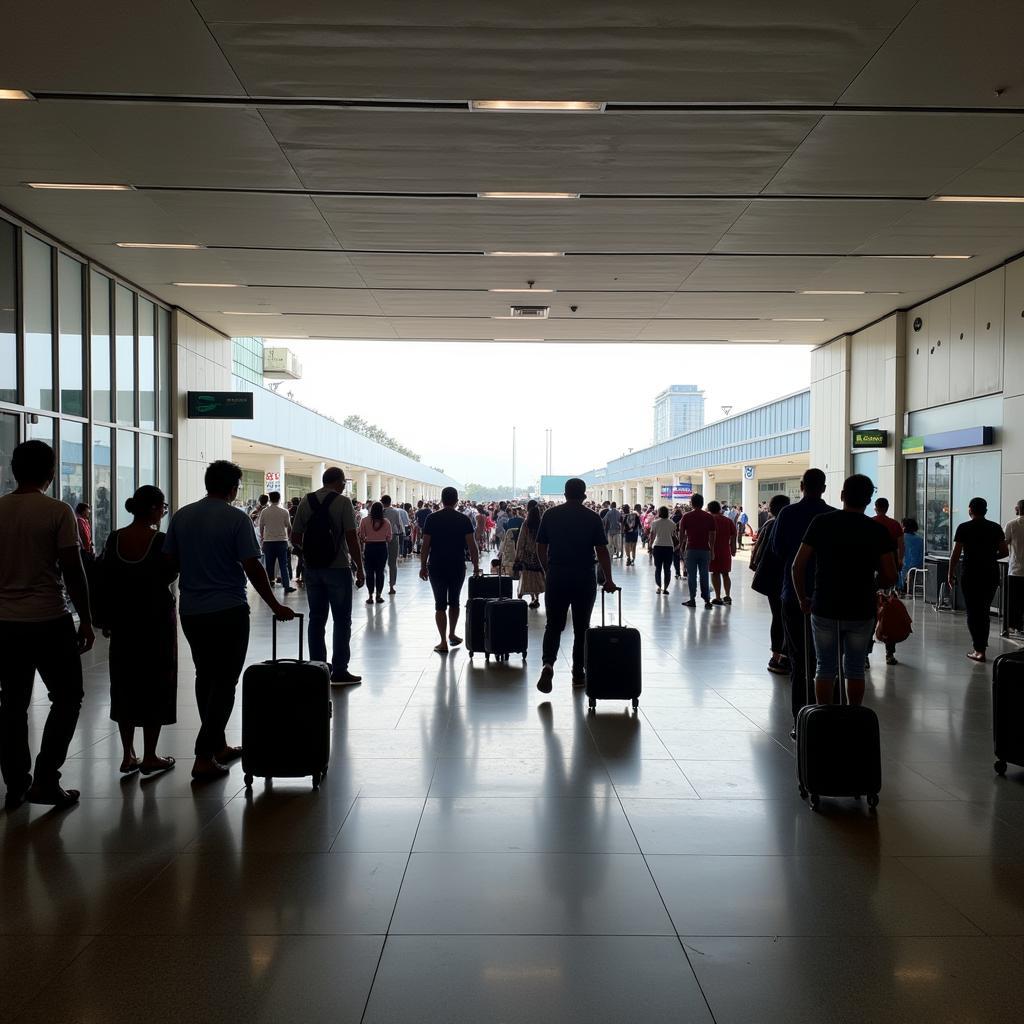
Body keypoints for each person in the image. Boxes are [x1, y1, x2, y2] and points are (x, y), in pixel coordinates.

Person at [165, 461, 295, 781]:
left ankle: (218, 744)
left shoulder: (182, 517)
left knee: (205, 676)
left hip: (192, 611)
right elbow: (252, 567)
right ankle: (204, 754)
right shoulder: (236, 518)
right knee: (225, 682)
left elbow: (169, 564)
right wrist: (275, 604)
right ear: (233, 487)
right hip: (228, 611)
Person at [0, 440, 94, 810]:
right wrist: (86, 619)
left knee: (12, 705)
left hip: (5, 624)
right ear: (52, 472)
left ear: (13, 468)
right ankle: (45, 778)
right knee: (68, 698)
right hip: (50, 620)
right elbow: (73, 569)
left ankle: (15, 785)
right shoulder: (57, 511)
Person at [792, 474, 898, 707]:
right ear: (869, 500)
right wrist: (874, 585)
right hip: (861, 608)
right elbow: (890, 575)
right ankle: (852, 717)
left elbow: (797, 565)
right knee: (855, 667)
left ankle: (824, 717)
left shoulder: (821, 522)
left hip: (824, 605)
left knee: (825, 666)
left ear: (842, 495)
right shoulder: (876, 530)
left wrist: (802, 598)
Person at [101, 486, 178, 776]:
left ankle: (127, 754)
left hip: (123, 620)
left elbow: (106, 579)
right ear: (155, 509)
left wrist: (105, 618)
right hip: (156, 618)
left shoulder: (115, 538)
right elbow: (170, 573)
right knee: (157, 682)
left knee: (124, 683)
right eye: (163, 507)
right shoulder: (160, 540)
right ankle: (150, 755)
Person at [535, 478, 616, 694]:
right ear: (584, 495)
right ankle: (578, 674)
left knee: (553, 625)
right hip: (584, 576)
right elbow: (602, 550)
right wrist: (608, 579)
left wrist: (547, 570)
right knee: (582, 628)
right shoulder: (591, 517)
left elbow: (540, 546)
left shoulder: (550, 515)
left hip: (557, 575)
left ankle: (548, 664)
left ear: (564, 494)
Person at [770, 468, 834, 735]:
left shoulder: (787, 514)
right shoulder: (832, 515)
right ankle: (826, 714)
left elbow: (778, 549)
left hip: (793, 593)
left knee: (798, 658)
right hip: (827, 594)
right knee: (826, 658)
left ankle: (801, 719)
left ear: (802, 485)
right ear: (825, 487)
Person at [291, 467, 366, 684]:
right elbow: (352, 538)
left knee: (316, 618)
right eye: (343, 482)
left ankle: (318, 668)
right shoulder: (343, 503)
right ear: (339, 482)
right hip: (338, 567)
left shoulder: (306, 500)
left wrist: (307, 556)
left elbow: (295, 536)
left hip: (313, 569)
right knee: (342, 620)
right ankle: (340, 670)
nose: (344, 486)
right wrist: (359, 568)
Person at [419, 486, 479, 654]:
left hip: (436, 565)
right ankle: (452, 633)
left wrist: (423, 566)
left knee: (439, 604)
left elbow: (425, 546)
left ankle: (443, 641)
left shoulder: (432, 518)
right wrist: (476, 566)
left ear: (442, 500)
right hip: (457, 564)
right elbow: (472, 546)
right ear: (457, 500)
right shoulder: (463, 519)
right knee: (454, 601)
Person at [949, 497, 1009, 662]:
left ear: (970, 510)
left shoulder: (964, 528)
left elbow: (955, 553)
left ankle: (979, 649)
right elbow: (1004, 552)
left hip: (970, 573)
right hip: (990, 573)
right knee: (983, 610)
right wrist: (989, 556)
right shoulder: (995, 528)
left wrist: (950, 572)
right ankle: (982, 646)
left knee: (973, 611)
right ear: (986, 510)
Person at [750, 493, 791, 674]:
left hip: (772, 579)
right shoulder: (789, 524)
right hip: (788, 579)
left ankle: (776, 656)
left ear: (771, 509)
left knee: (778, 616)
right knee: (787, 617)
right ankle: (785, 655)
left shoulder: (769, 524)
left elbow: (758, 552)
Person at [679, 493, 716, 609]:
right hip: (705, 550)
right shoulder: (709, 517)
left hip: (691, 549)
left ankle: (692, 599)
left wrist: (680, 546)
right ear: (702, 502)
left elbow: (681, 533)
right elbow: (712, 535)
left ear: (692, 503)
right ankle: (707, 600)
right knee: (704, 575)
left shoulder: (686, 516)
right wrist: (712, 549)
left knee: (692, 576)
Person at [259, 491, 296, 593]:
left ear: (270, 499)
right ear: (279, 499)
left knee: (269, 565)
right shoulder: (284, 512)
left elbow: (261, 527)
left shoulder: (264, 512)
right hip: (281, 541)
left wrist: (262, 539)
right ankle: (287, 586)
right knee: (283, 565)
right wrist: (288, 538)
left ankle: (268, 585)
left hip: (268, 542)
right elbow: (289, 527)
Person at [358, 501, 392, 604]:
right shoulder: (386, 522)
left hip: (369, 548)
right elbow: (389, 538)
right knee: (380, 573)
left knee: (369, 573)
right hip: (382, 548)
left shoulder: (364, 521)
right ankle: (378, 595)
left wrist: (366, 539)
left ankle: (370, 596)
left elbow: (361, 535)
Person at [514, 500, 546, 608]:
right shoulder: (542, 524)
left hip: (527, 555)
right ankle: (536, 598)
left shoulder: (526, 524)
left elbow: (521, 541)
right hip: (538, 555)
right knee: (537, 577)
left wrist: (518, 556)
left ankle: (525, 597)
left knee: (527, 576)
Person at [707, 500, 737, 605]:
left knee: (715, 573)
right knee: (725, 573)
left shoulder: (709, 520)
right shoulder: (728, 521)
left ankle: (718, 597)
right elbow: (734, 535)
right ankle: (728, 596)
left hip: (712, 550)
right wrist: (733, 548)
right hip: (725, 550)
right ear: (719, 509)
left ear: (709, 509)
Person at [649, 505, 677, 594]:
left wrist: (650, 546)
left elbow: (652, 536)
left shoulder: (655, 523)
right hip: (669, 547)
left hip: (657, 547)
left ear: (659, 513)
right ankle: (665, 588)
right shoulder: (672, 523)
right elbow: (673, 535)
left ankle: (658, 587)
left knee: (658, 568)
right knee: (667, 568)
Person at [1006, 500, 1024, 633]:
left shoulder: (1011, 524)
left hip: (1016, 569)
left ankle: (1015, 625)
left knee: (1014, 600)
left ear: (1018, 509)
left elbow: (1004, 543)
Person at [872, 498, 905, 571]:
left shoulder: (870, 522)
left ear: (876, 508)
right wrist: (900, 560)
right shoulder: (895, 524)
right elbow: (901, 545)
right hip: (891, 560)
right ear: (887, 508)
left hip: (873, 559)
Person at [380, 495, 403, 594]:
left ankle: (379, 588)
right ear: (390, 502)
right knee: (392, 563)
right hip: (394, 536)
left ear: (382, 502)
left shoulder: (380, 512)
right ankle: (391, 586)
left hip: (381, 537)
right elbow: (399, 525)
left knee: (380, 563)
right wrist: (402, 534)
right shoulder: (395, 511)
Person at [899, 518, 924, 595]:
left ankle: (902, 586)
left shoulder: (902, 538)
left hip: (905, 566)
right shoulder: (920, 539)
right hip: (917, 566)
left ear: (904, 527)